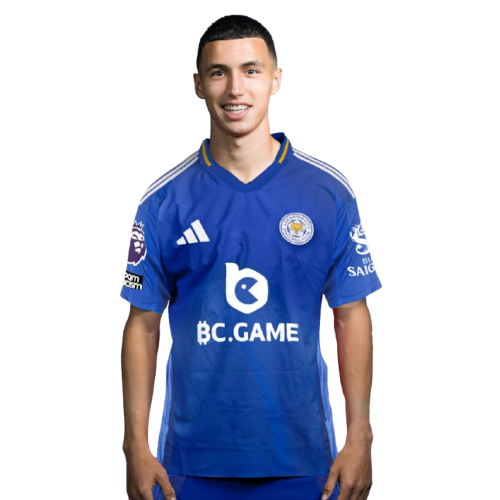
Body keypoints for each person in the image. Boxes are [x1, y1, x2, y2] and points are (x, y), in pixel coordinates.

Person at [120, 13, 381, 500]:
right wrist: (134, 443)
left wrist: (360, 437)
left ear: (276, 79)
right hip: (190, 464)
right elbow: (142, 323)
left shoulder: (328, 191)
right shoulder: (163, 201)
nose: (235, 88)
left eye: (251, 70)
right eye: (218, 72)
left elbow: (351, 312)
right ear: (198, 85)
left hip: (306, 460)